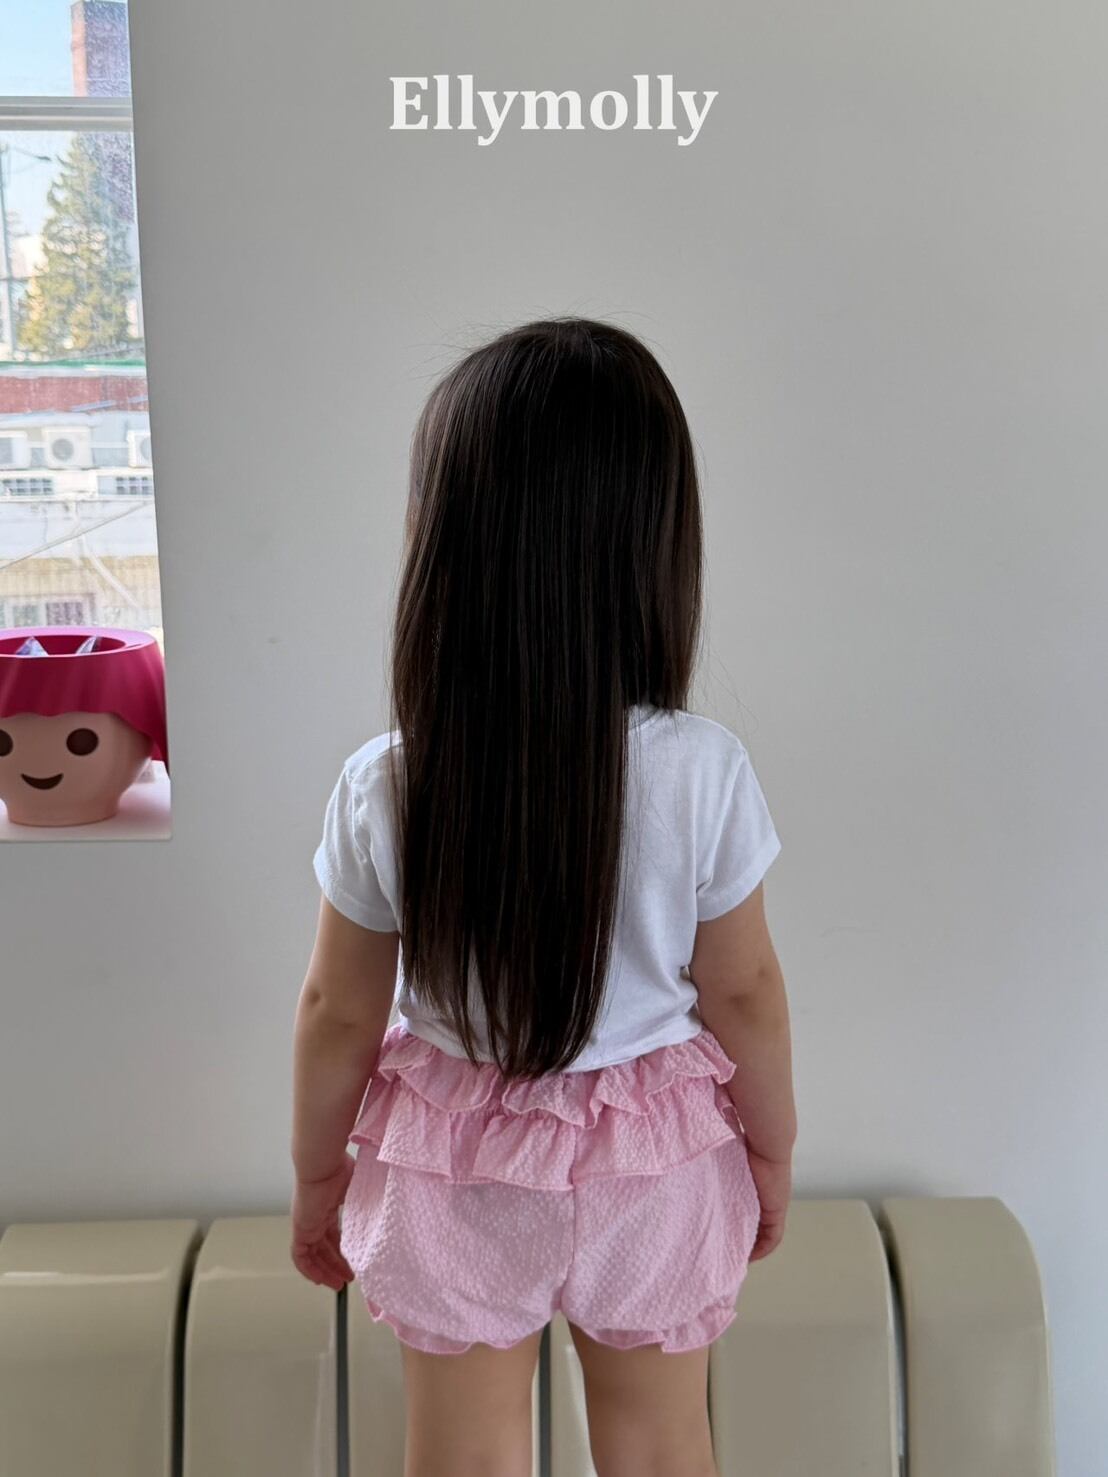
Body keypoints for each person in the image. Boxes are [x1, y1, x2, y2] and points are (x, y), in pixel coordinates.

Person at [290, 316, 797, 1477]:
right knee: (661, 1446)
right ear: (655, 540)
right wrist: (770, 1149)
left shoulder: (390, 781)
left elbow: (336, 1010)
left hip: (451, 1165)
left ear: (444, 539)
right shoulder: (702, 769)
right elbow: (746, 993)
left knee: (462, 1455)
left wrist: (320, 1173)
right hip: (656, 1159)